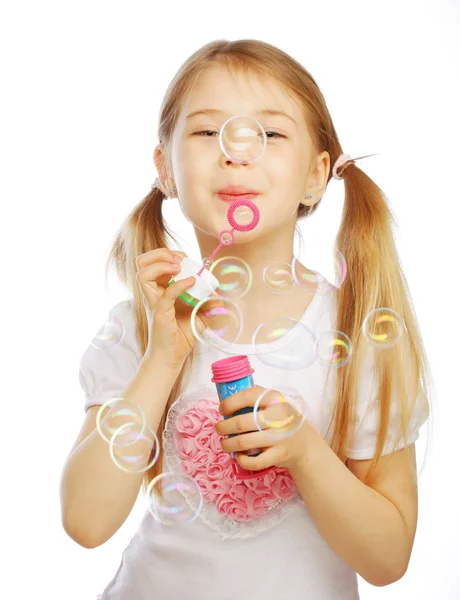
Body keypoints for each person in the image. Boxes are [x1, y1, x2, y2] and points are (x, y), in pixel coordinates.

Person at [59, 39, 433, 600]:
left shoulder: (359, 332)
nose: (237, 150)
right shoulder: (141, 325)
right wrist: (164, 356)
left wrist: (307, 452)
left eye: (272, 133)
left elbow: (388, 559)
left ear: (316, 175)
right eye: (208, 133)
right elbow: (86, 522)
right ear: (165, 167)